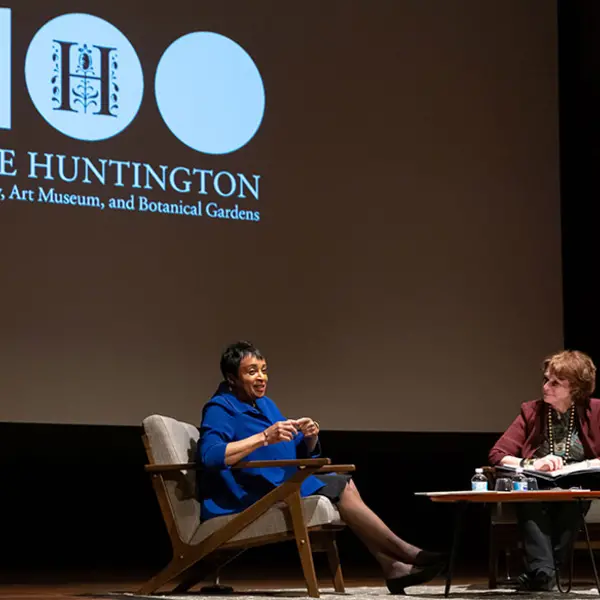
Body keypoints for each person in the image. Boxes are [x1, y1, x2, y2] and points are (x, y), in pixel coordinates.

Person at [197, 340, 445, 594]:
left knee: (342, 482)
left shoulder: (265, 404)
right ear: (232, 378)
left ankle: (393, 565)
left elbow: (294, 452)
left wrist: (308, 436)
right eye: (252, 372)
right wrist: (264, 437)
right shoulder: (221, 407)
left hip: (281, 483)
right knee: (342, 485)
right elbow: (210, 455)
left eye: (263, 369)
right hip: (249, 494)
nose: (261, 378)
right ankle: (405, 553)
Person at [489, 350, 600, 591]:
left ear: (576, 388)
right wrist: (533, 464)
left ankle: (541, 573)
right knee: (528, 497)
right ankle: (546, 572)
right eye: (546, 379)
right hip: (537, 485)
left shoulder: (597, 411)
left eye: (556, 382)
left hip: (577, 486)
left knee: (572, 498)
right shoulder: (531, 411)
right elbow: (497, 455)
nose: (546, 386)